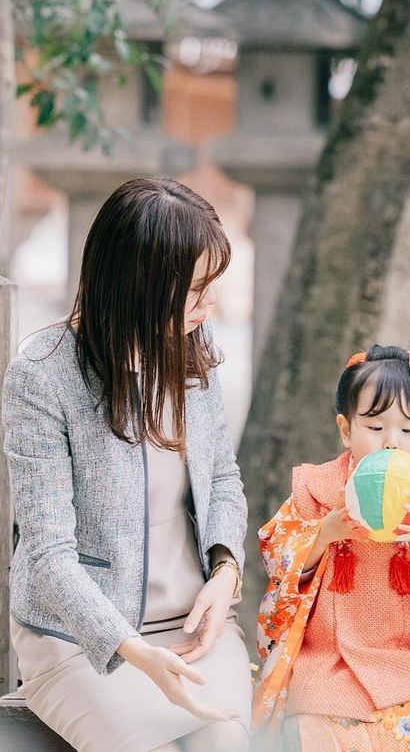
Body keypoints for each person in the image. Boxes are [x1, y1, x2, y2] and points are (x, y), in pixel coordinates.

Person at [3, 177, 251, 752]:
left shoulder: (192, 350)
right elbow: (46, 553)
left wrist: (226, 573)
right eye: (195, 291)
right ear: (141, 285)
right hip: (78, 639)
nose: (207, 307)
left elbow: (222, 480)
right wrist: (132, 652)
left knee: (225, 744)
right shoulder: (43, 375)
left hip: (190, 624)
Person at [253, 339, 410, 751]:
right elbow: (277, 553)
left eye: (409, 430)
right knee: (314, 735)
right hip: (325, 662)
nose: (391, 442)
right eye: (375, 428)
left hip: (409, 667)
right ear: (346, 430)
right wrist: (323, 535)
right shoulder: (316, 491)